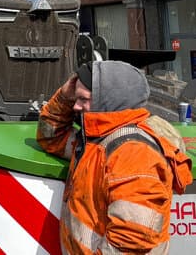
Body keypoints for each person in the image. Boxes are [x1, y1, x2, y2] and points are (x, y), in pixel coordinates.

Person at [38, 61, 193, 254]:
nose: (76, 106)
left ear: (108, 101)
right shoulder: (97, 141)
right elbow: (51, 136)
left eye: (83, 99)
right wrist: (64, 96)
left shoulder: (133, 154)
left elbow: (131, 242)